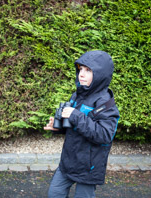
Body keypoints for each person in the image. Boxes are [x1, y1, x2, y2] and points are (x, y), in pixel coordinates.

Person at [44, 50, 120, 198]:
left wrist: (75, 115)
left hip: (89, 167)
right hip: (69, 160)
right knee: (55, 193)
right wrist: (58, 128)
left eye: (88, 70)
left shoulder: (105, 103)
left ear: (100, 74)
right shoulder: (78, 95)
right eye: (80, 69)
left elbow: (104, 135)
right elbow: (75, 125)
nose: (82, 74)